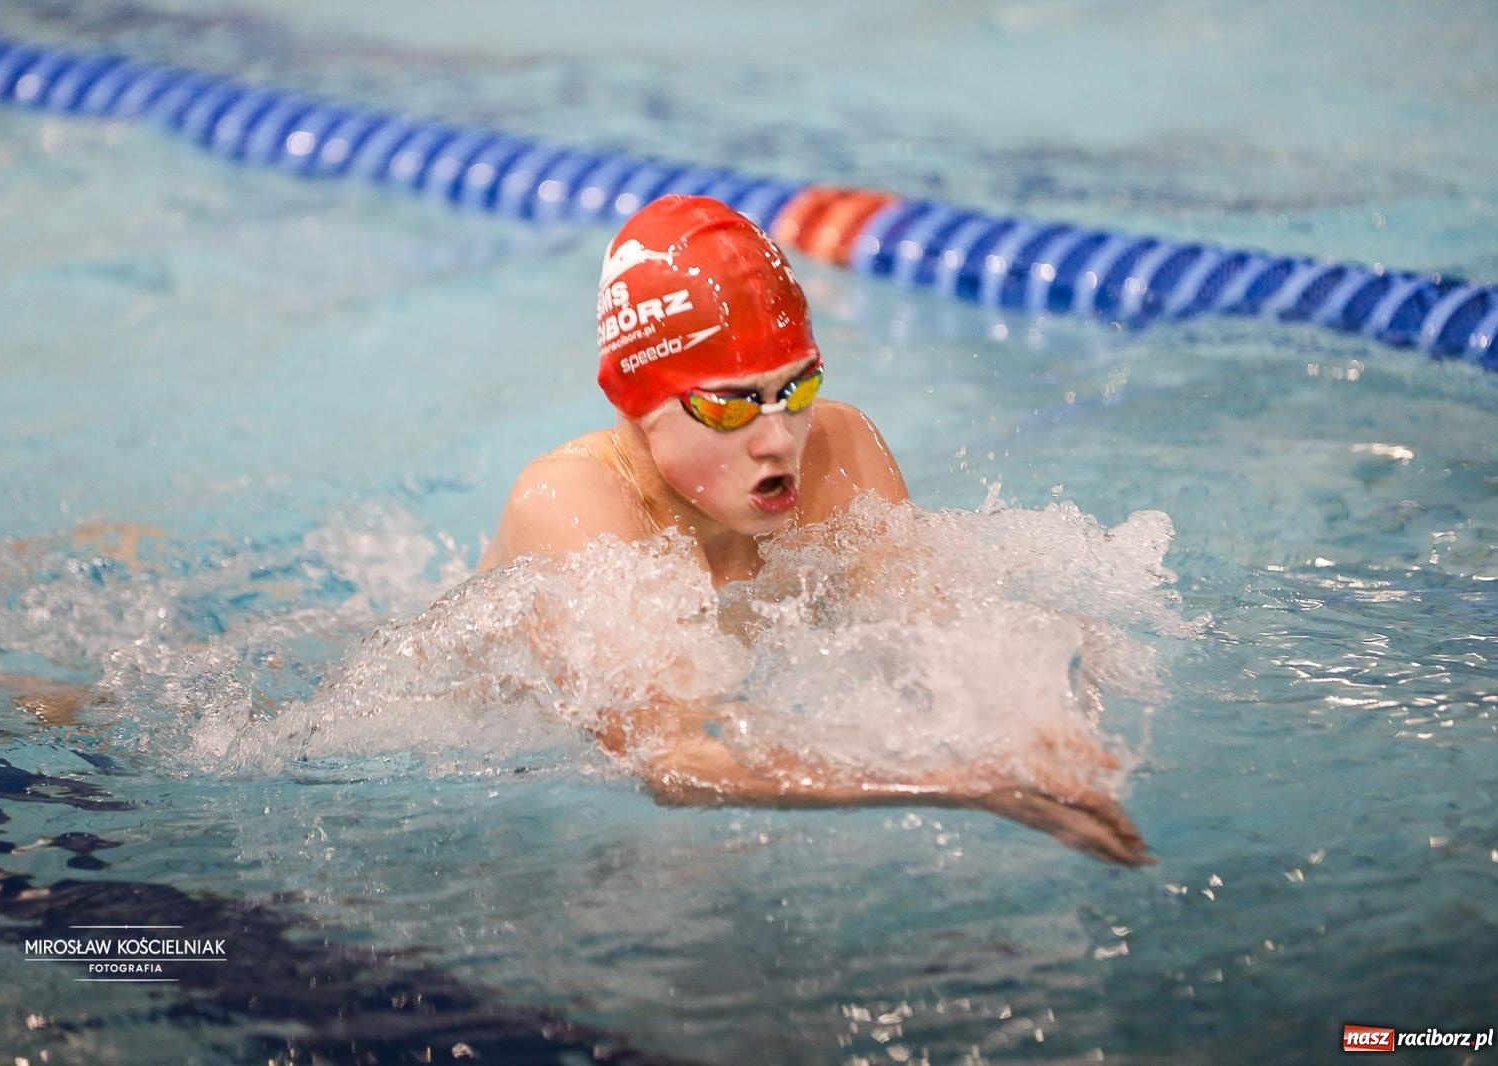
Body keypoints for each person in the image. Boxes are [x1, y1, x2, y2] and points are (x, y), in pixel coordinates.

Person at [476, 195, 1153, 865]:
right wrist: (963, 784)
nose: (779, 441)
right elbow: (670, 758)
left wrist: (1030, 727)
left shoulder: (838, 448)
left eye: (798, 389)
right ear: (636, 399)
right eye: (730, 407)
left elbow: (933, 633)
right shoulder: (568, 504)